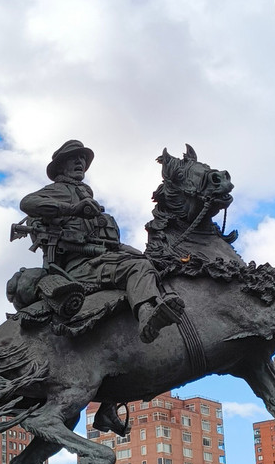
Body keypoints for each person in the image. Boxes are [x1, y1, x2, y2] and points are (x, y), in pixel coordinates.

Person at [19, 140, 184, 345]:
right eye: (73, 158)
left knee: (145, 262)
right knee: (137, 267)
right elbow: (27, 203)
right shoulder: (61, 190)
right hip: (80, 266)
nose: (80, 162)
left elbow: (111, 245)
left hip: (104, 258)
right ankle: (146, 314)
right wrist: (72, 209)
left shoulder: (86, 196)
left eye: (82, 159)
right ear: (61, 166)